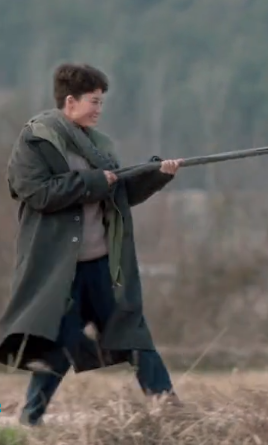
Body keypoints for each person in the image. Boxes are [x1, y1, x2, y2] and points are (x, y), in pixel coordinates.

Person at [0, 63, 185, 426]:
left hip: (103, 265)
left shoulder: (98, 146)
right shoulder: (36, 140)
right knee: (59, 348)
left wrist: (156, 174)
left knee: (133, 333)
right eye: (94, 102)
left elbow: (119, 193)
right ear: (70, 102)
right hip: (59, 272)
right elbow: (37, 193)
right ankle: (29, 421)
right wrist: (92, 181)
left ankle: (170, 410)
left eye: (102, 102)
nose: (99, 109)